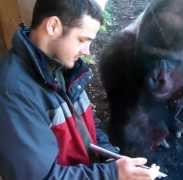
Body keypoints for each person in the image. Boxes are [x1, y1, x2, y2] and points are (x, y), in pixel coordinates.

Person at [0, 0, 159, 179]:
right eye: (83, 40)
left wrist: (110, 158)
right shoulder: (13, 93)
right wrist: (112, 174)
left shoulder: (63, 68)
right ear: (53, 26)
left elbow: (86, 129)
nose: (88, 51)